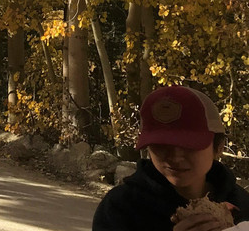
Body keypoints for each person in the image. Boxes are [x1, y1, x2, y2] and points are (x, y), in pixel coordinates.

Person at [93, 85, 249, 231]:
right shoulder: (120, 208)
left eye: (189, 145)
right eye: (161, 145)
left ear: (219, 147)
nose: (175, 157)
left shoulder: (241, 205)